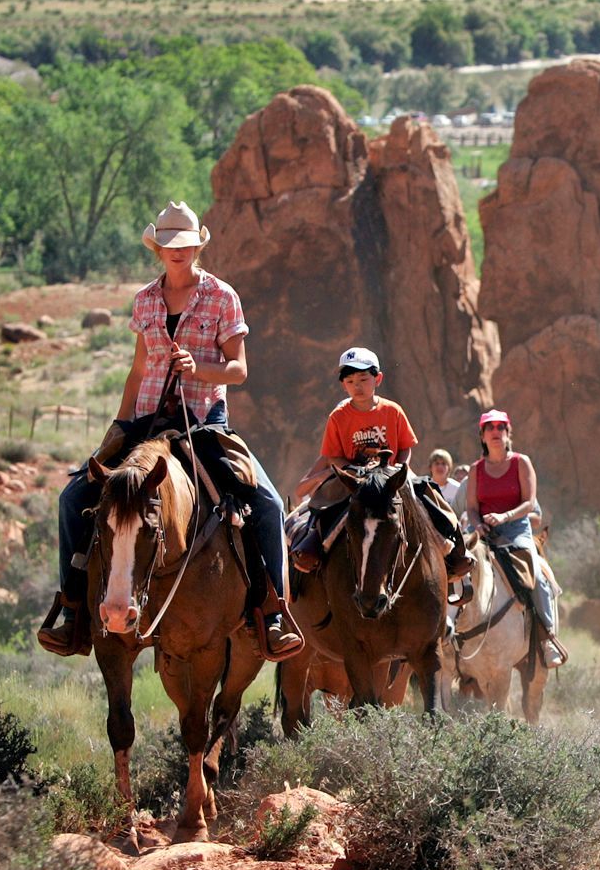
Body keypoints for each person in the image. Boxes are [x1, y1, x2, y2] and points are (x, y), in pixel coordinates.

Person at [39, 201, 302, 660]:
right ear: (158, 249)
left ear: (198, 246)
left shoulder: (222, 296)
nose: (177, 252)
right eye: (169, 245)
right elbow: (139, 371)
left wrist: (197, 368)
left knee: (268, 503)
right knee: (74, 497)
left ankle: (272, 613)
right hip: (145, 422)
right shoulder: (144, 300)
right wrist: (117, 429)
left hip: (202, 423)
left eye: (185, 245)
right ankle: (72, 607)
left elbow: (238, 370)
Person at [290, 348, 472, 580]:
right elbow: (332, 455)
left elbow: (406, 446)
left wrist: (402, 468)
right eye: (350, 381)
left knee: (427, 496)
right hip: (355, 475)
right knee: (325, 503)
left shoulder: (392, 411)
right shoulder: (338, 417)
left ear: (378, 379)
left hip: (391, 473)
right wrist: (348, 469)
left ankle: (451, 549)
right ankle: (314, 548)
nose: (357, 386)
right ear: (343, 385)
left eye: (363, 379)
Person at [465, 409, 565, 668]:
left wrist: (505, 516)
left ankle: (547, 638)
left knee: (537, 574)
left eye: (500, 427)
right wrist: (478, 525)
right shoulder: (476, 469)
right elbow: (472, 508)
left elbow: (529, 502)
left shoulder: (521, 462)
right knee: (456, 568)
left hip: (517, 530)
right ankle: (449, 638)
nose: (495, 432)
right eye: (490, 428)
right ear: (483, 436)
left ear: (508, 433)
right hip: (486, 532)